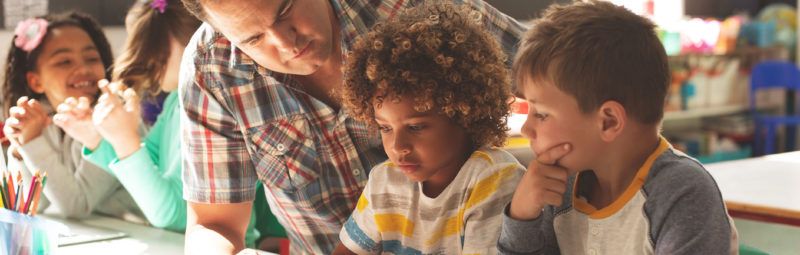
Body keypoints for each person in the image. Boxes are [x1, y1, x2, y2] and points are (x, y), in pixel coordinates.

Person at [178, 0, 526, 253]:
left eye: (285, 10)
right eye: (253, 38)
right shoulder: (211, 67)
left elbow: (564, 74)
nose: (287, 43)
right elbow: (214, 224)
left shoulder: (415, 10)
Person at [496, 2, 738, 254]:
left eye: (542, 114)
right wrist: (522, 215)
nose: (526, 129)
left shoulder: (683, 194)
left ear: (608, 121)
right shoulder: (560, 187)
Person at [52, 0, 286, 250]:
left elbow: (173, 215)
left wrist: (125, 141)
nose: (147, 58)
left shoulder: (211, 101)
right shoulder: (175, 101)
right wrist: (96, 138)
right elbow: (148, 161)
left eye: (153, 43)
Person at [332, 3, 524, 254]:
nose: (397, 146)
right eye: (385, 128)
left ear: (464, 113)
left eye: (416, 126)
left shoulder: (494, 179)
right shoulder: (384, 182)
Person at [1, 12, 145, 221]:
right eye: (64, 61)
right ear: (35, 81)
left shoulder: (117, 119)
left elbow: (77, 205)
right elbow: (24, 205)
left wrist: (32, 143)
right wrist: (20, 149)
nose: (84, 68)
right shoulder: (46, 122)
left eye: (92, 58)